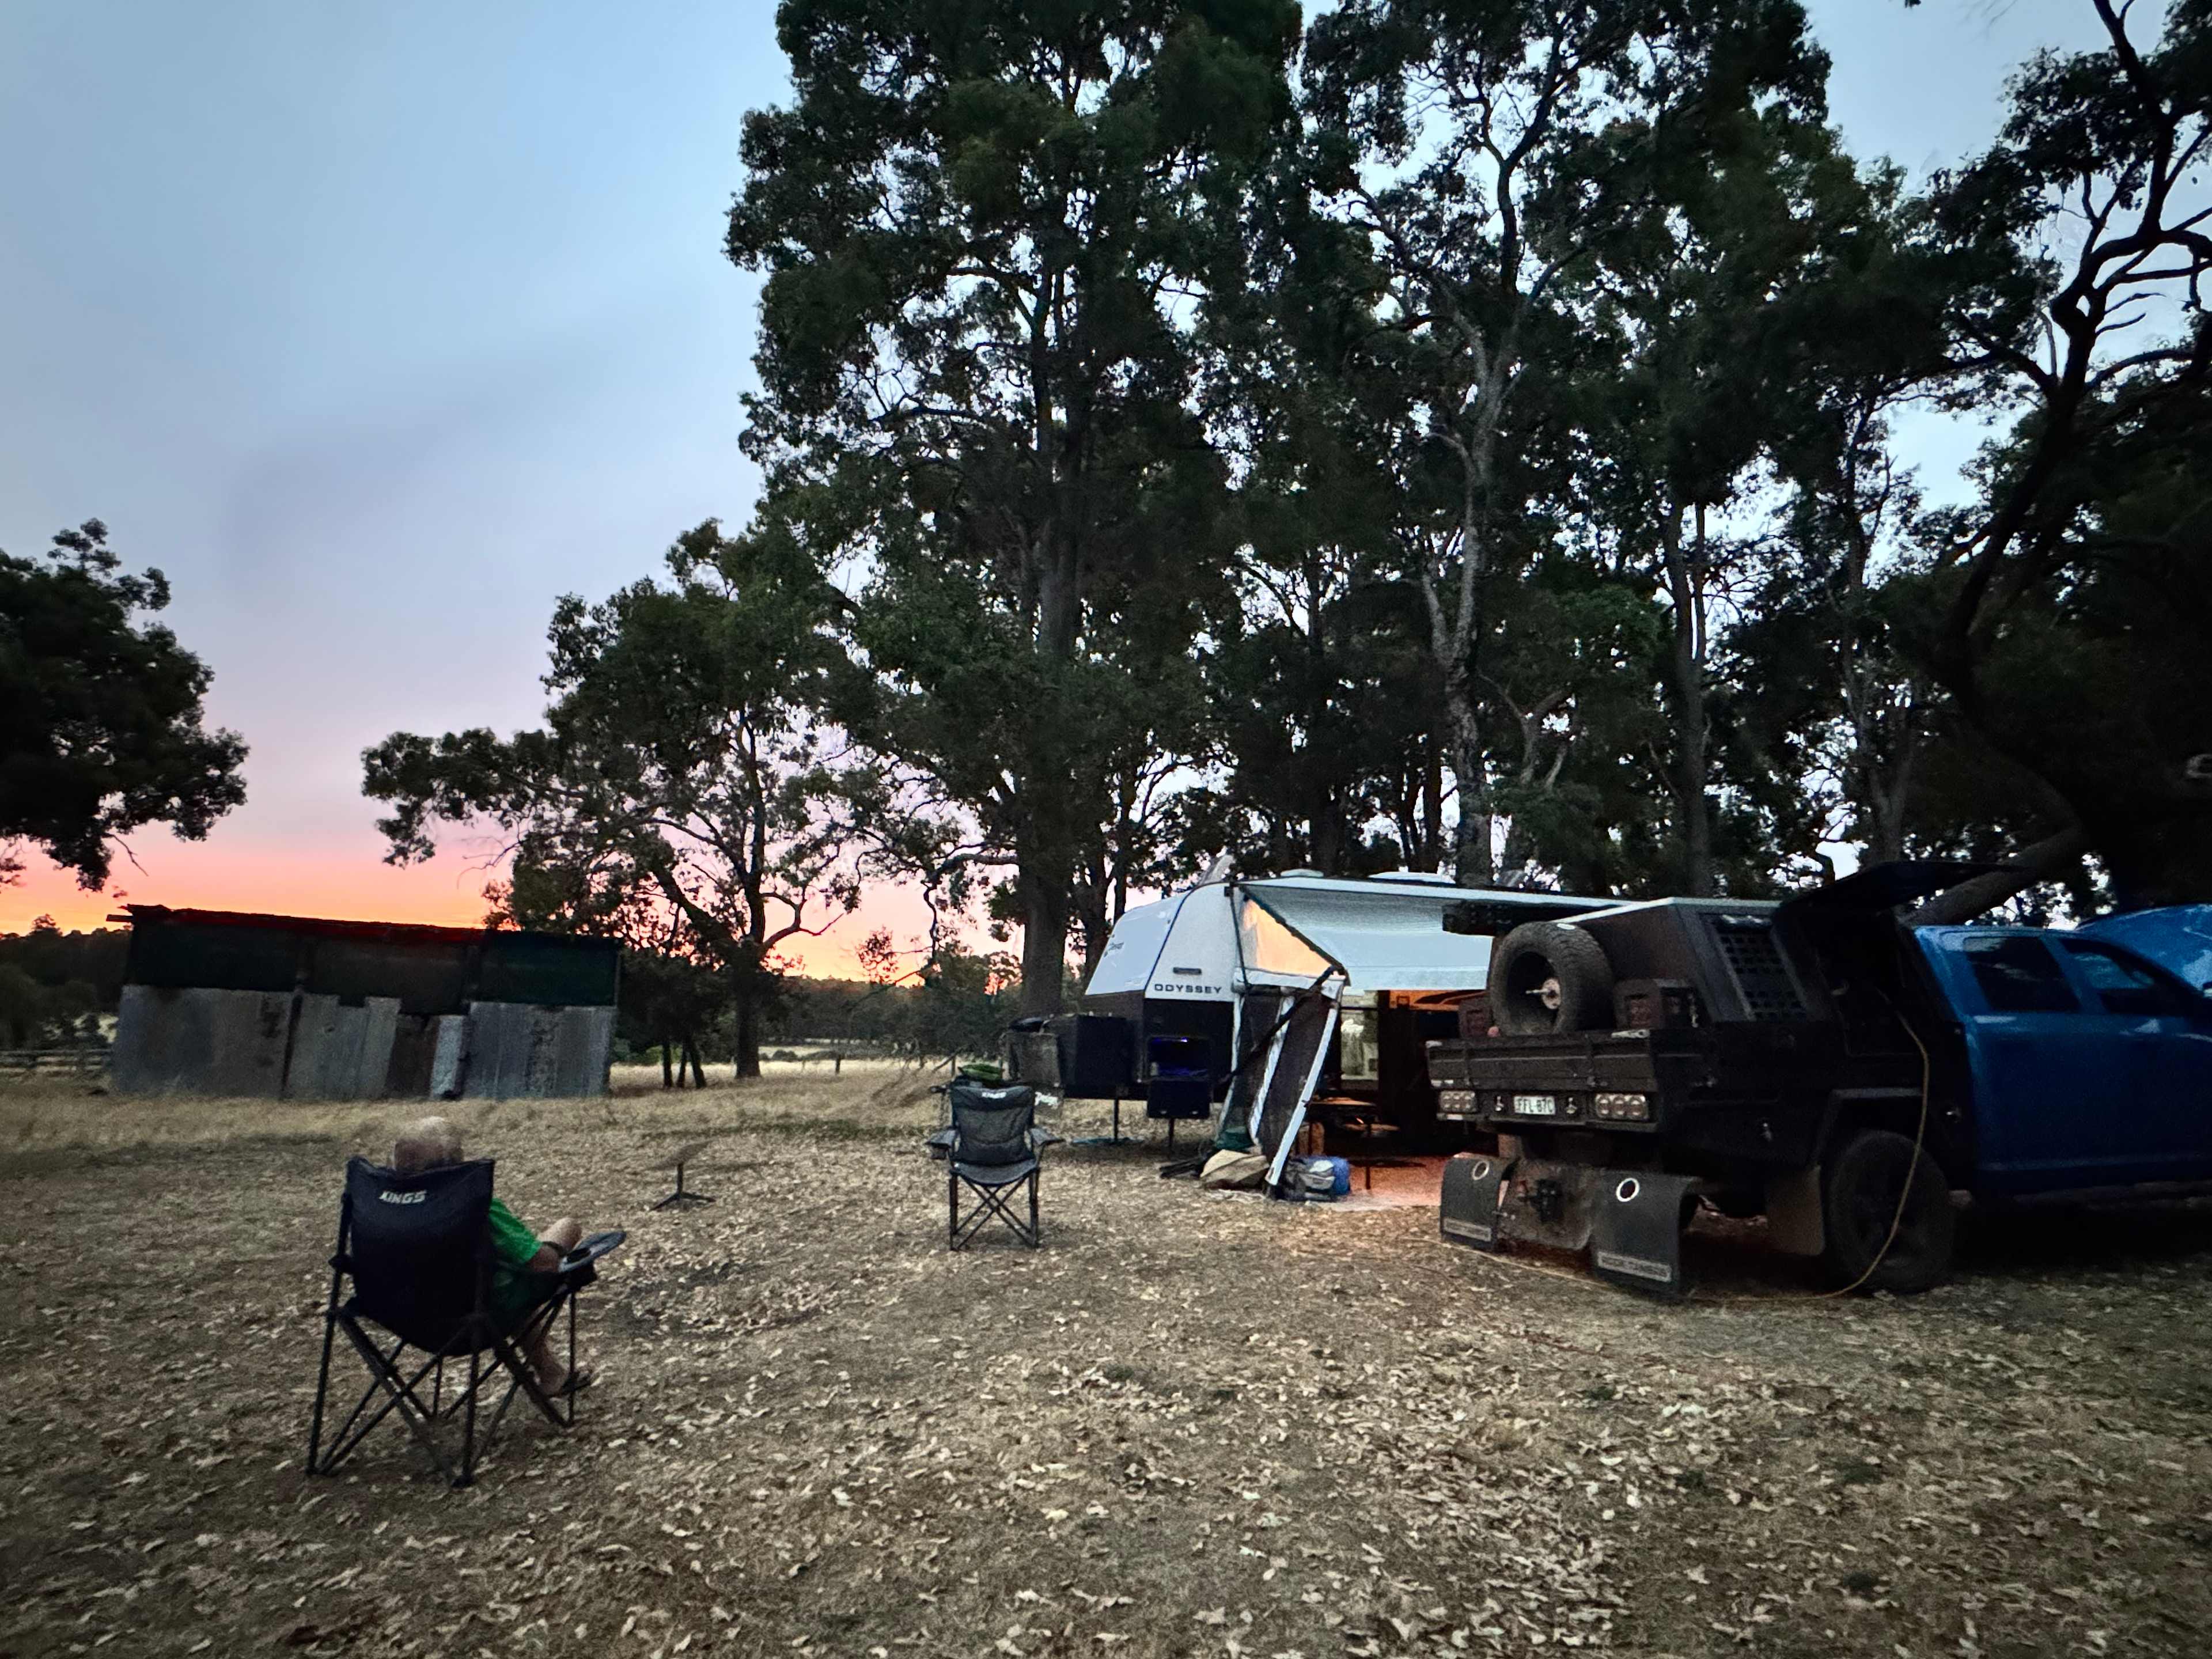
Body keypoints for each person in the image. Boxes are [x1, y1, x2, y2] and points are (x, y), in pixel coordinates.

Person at [390, 1116, 594, 1395]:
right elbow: (541, 1263)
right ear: (457, 1159)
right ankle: (550, 1372)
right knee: (562, 1231)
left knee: (499, 1277)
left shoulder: (380, 1208)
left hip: (406, 1318)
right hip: (475, 1316)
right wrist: (556, 1248)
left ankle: (550, 1372)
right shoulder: (472, 1203)